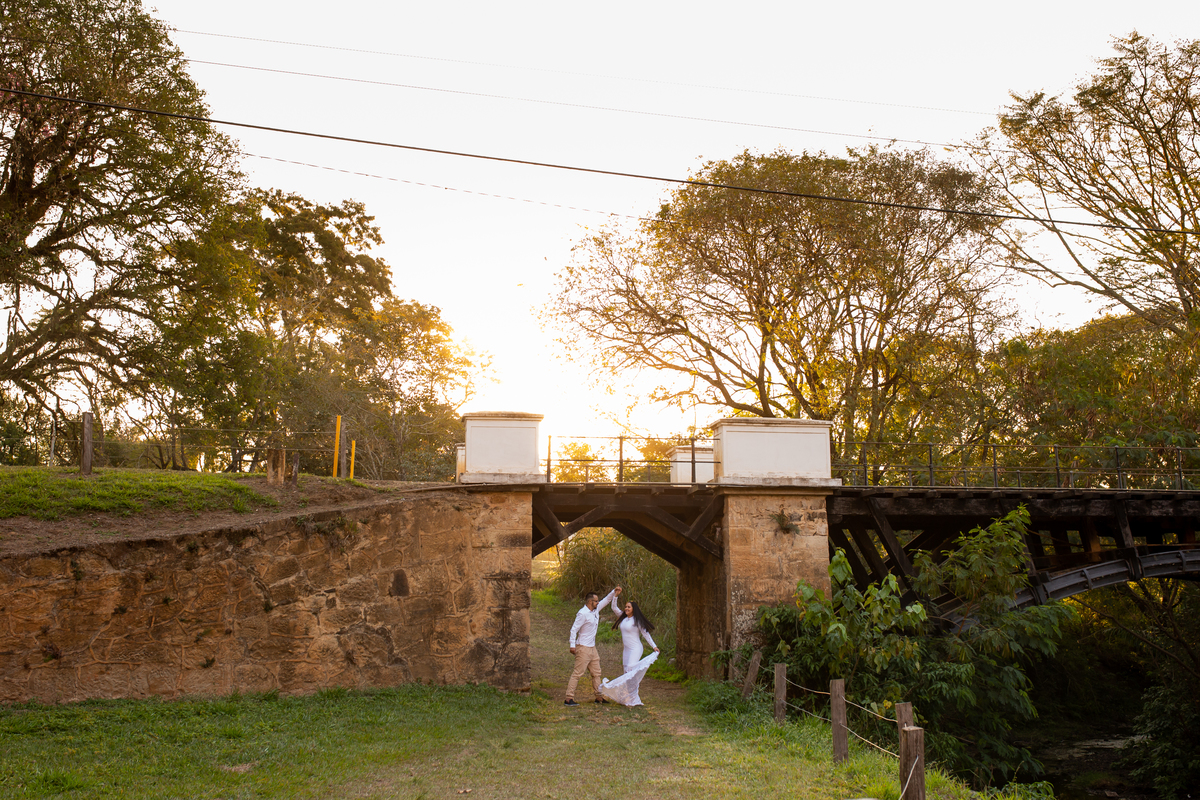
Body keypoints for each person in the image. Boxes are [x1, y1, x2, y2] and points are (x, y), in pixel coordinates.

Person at [564, 585, 621, 706]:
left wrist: (614, 592)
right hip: (583, 647)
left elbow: (606, 599)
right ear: (590, 602)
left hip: (592, 648)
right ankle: (569, 698)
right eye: (596, 601)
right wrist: (572, 645)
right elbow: (574, 629)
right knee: (578, 673)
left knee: (597, 673)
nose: (598, 602)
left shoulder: (596, 610)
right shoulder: (582, 613)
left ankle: (599, 697)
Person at [597, 600, 660, 707]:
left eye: (629, 607)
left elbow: (645, 633)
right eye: (625, 607)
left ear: (633, 609)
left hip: (636, 648)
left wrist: (654, 646)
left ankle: (634, 698)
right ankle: (628, 697)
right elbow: (613, 607)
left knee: (631, 670)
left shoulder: (637, 620)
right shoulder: (623, 617)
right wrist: (616, 596)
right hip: (626, 650)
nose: (626, 608)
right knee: (627, 672)